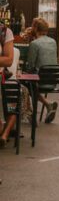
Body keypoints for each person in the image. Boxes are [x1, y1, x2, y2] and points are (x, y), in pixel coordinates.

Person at [25, 17, 59, 122]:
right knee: (29, 83)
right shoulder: (53, 41)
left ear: (35, 28)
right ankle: (47, 105)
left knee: (23, 84)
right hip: (54, 80)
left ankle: (30, 112)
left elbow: (29, 66)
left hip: (40, 81)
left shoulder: (35, 44)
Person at [0, 18, 17, 147]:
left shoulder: (5, 32)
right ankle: (6, 133)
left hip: (3, 81)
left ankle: (4, 132)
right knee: (17, 99)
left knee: (17, 97)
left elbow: (9, 60)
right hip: (7, 84)